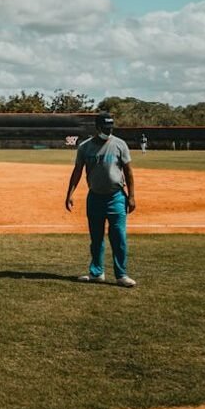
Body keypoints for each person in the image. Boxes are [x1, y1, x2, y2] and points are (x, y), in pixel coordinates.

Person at [65, 112, 137, 288]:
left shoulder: (120, 144)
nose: (108, 130)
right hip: (95, 197)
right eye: (105, 128)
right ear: (97, 128)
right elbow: (77, 171)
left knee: (118, 237)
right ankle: (97, 273)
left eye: (110, 127)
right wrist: (69, 194)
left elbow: (128, 172)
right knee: (96, 238)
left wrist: (132, 196)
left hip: (116, 197)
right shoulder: (85, 147)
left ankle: (121, 275)